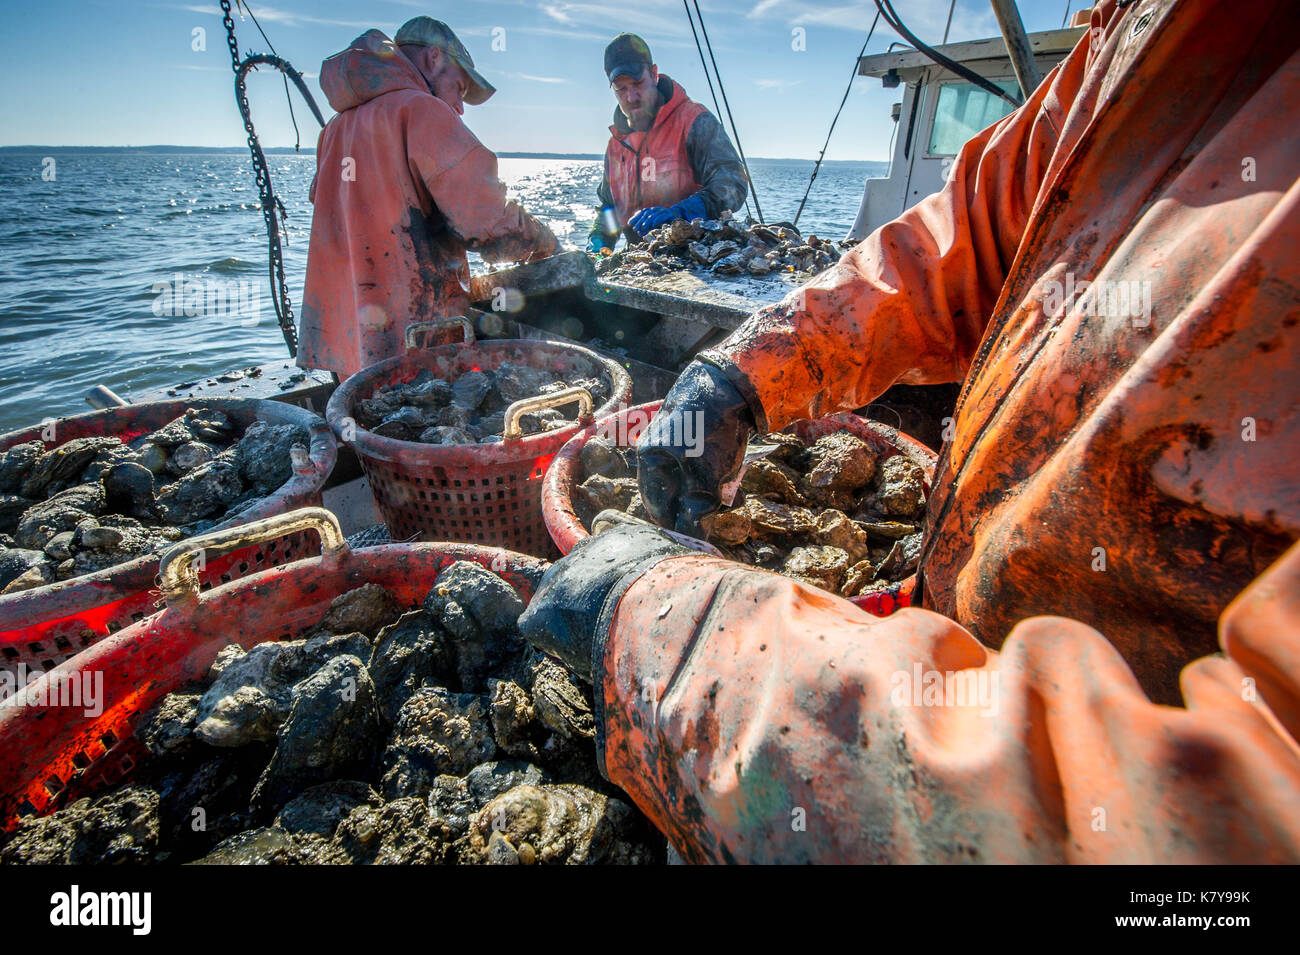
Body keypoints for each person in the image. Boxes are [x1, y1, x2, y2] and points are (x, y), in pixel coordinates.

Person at [520, 0, 1300, 863]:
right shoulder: (1173, 34)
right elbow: (957, 240)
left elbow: (1200, 824)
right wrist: (745, 371)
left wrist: (684, 637)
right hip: (940, 634)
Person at [299, 17, 557, 379]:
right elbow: (489, 225)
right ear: (434, 57)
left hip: (349, 349)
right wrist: (549, 244)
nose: (460, 107)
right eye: (459, 87)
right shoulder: (422, 110)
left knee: (369, 427)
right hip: (416, 341)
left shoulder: (334, 130)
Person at [587, 33, 749, 253]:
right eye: (621, 88)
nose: (632, 96)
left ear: (654, 74)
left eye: (637, 83)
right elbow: (609, 207)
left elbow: (733, 183)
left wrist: (680, 214)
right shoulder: (616, 145)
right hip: (639, 264)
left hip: (697, 257)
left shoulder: (693, 121)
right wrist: (597, 244)